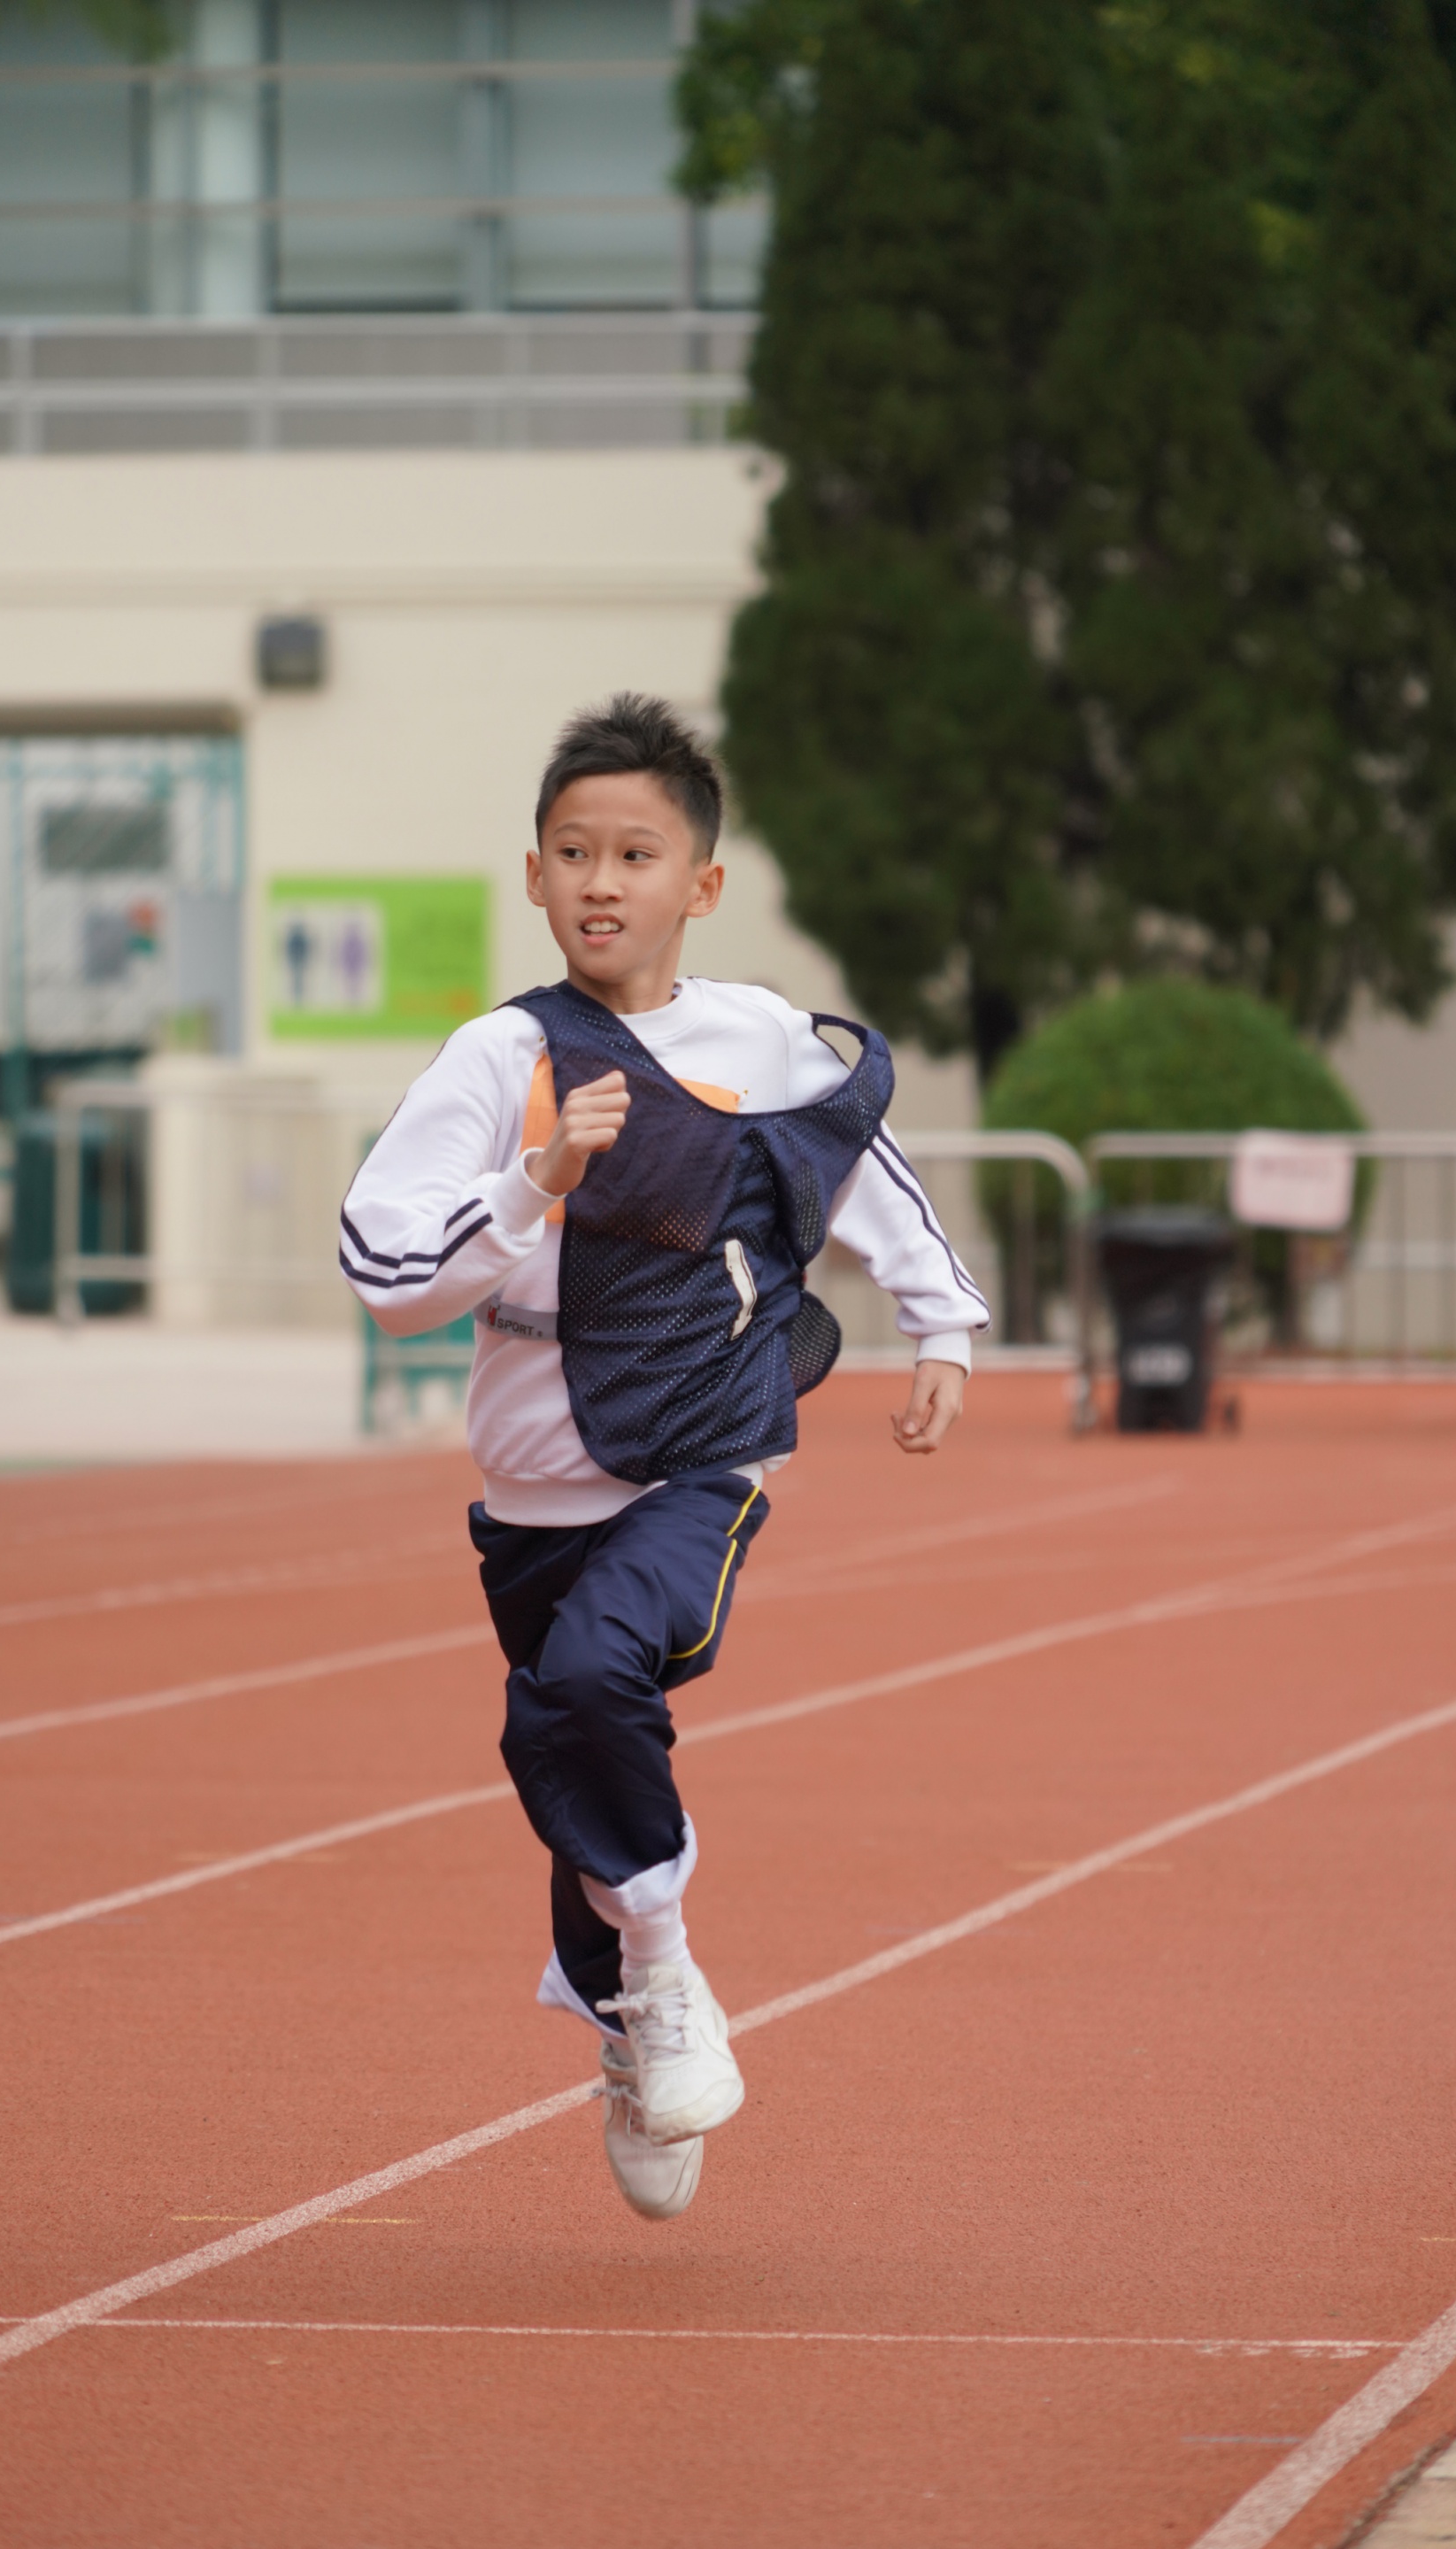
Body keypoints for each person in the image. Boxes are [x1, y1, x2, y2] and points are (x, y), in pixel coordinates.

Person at [340, 694, 988, 2221]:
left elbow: (859, 1171)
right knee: (569, 1744)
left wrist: (943, 1321)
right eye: (574, 852)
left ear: (701, 882)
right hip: (530, 1486)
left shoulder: (757, 1038)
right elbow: (386, 1274)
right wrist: (536, 1180)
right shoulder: (501, 1056)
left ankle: (664, 1971)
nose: (602, 881)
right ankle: (633, 2018)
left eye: (636, 854)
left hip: (704, 1446)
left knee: (586, 1685)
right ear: (534, 875)